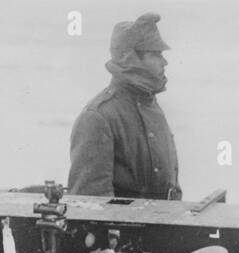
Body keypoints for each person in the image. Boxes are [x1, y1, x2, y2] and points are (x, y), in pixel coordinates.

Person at [68, 12, 181, 200]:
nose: (164, 62)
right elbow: (89, 206)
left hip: (164, 224)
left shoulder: (150, 103)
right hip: (127, 228)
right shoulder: (99, 116)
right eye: (155, 54)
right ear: (130, 58)